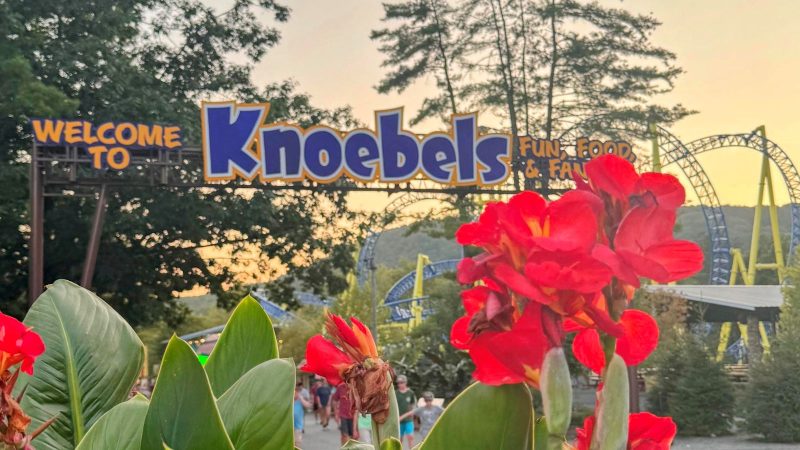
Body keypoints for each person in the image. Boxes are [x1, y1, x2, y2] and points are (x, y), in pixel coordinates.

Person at [394, 375, 416, 449]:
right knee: (399, 439)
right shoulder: (395, 393)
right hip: (398, 420)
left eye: (402, 382)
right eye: (398, 383)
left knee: (410, 437)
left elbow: (413, 407)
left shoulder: (411, 393)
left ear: (405, 383)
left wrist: (409, 415)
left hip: (408, 420)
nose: (400, 384)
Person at [293, 384, 312, 448]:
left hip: (298, 426)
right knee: (292, 442)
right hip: (289, 426)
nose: (294, 394)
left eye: (296, 392)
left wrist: (301, 398)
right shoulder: (289, 401)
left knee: (297, 442)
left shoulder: (300, 400)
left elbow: (308, 405)